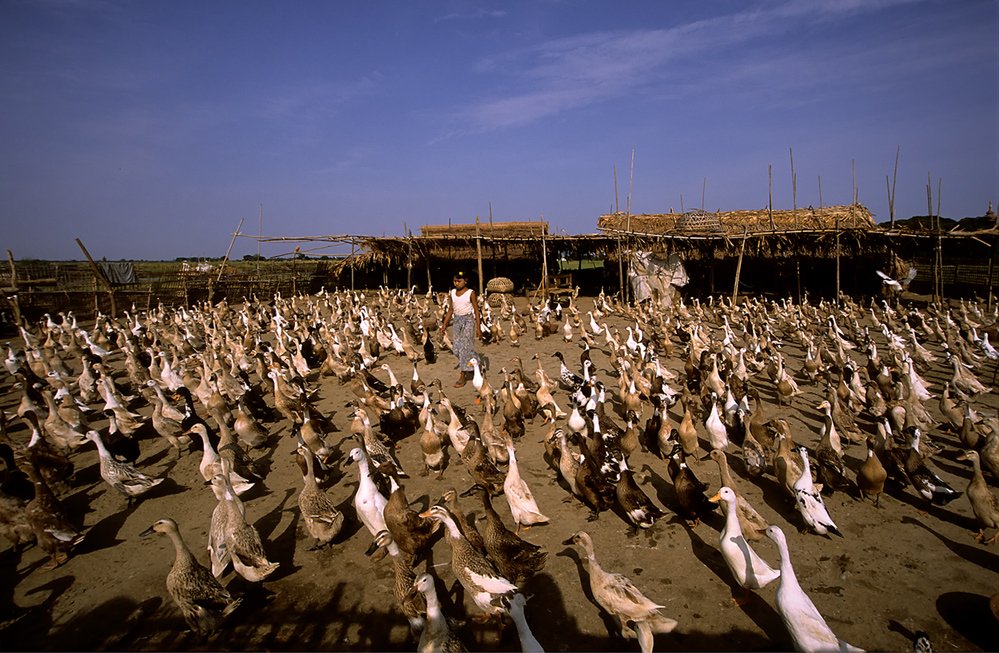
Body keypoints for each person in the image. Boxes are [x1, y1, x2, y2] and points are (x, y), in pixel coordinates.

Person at [440, 271, 481, 387]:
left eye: (459, 281)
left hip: (468, 321)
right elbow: (450, 310)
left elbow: (476, 311)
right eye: (455, 281)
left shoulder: (470, 293)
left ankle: (463, 375)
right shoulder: (452, 293)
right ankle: (475, 362)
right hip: (457, 321)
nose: (456, 283)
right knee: (456, 349)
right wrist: (444, 325)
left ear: (466, 280)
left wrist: (478, 328)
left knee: (464, 348)